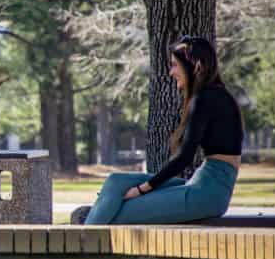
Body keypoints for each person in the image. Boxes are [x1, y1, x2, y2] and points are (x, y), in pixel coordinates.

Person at [83, 35, 242, 225]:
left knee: (116, 213)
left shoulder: (205, 99)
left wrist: (142, 189)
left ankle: (84, 236)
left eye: (175, 65)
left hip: (205, 195)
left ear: (195, 66)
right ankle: (88, 225)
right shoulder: (216, 96)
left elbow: (184, 158)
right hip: (203, 185)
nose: (171, 72)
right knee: (116, 180)